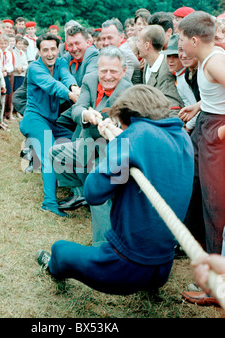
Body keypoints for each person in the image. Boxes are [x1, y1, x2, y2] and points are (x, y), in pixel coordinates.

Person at [36, 84, 194, 296]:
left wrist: (115, 144)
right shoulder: (182, 137)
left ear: (131, 117)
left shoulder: (136, 135)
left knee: (60, 249)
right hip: (163, 267)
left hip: (125, 268)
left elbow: (93, 193)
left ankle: (54, 267)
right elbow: (148, 146)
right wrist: (123, 137)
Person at [50, 46, 131, 245]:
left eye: (114, 71)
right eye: (103, 70)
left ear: (124, 71)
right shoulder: (89, 80)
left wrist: (114, 124)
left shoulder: (130, 91)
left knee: (99, 187)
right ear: (97, 68)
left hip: (112, 151)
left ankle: (102, 245)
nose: (108, 76)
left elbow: (131, 127)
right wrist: (85, 115)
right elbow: (77, 109)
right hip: (86, 142)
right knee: (55, 153)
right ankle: (80, 193)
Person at [178, 11, 225, 305]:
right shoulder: (212, 57)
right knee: (192, 189)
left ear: (194, 40)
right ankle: (194, 248)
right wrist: (199, 106)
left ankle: (215, 285)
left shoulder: (216, 61)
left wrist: (222, 133)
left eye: (182, 42)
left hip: (215, 137)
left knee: (215, 208)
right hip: (206, 123)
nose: (180, 48)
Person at [19, 33, 78, 217]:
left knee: (74, 141)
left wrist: (75, 88)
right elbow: (52, 84)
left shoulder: (60, 63)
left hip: (51, 120)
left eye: (53, 49)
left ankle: (76, 191)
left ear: (59, 49)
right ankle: (49, 203)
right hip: (34, 118)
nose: (50, 53)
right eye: (45, 50)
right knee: (49, 154)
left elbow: (66, 77)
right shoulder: (34, 68)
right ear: (39, 51)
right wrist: (70, 95)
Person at [137, 24, 183, 114]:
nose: (136, 44)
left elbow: (173, 109)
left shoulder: (166, 71)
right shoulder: (147, 64)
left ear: (146, 45)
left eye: (138, 41)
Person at [101, 18, 141, 84]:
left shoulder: (124, 54)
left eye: (110, 38)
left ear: (121, 37)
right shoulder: (112, 52)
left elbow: (122, 85)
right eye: (103, 38)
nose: (106, 43)